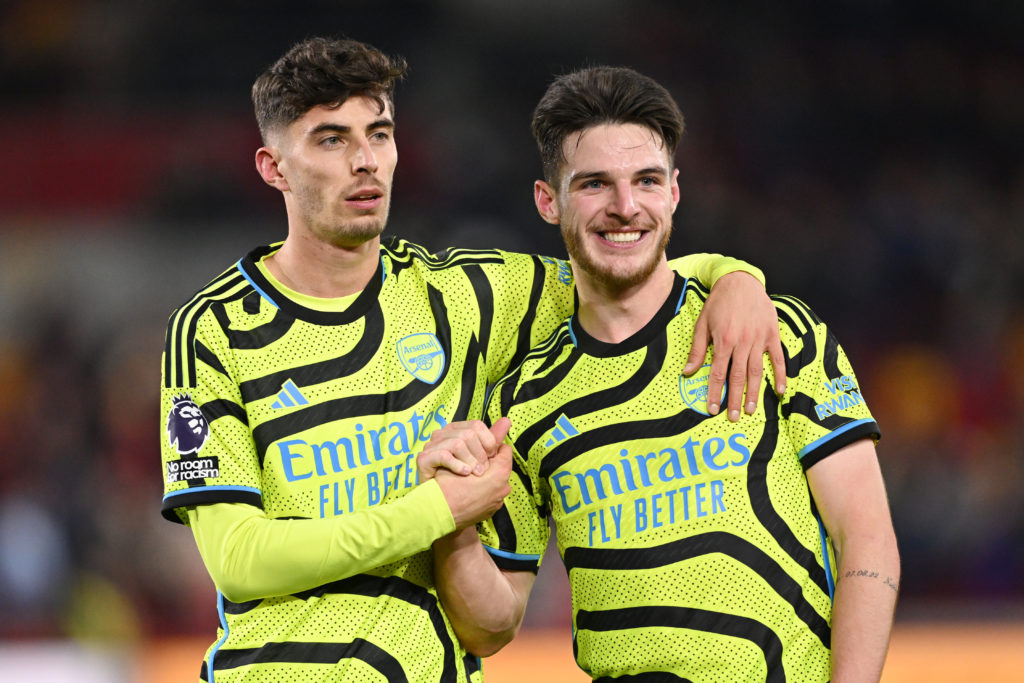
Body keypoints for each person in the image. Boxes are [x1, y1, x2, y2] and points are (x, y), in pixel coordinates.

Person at [159, 37, 783, 682]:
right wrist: (438, 510)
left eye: (379, 133)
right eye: (330, 140)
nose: (366, 161)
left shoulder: (465, 297)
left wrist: (734, 275)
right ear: (273, 167)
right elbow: (240, 558)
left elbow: (624, 266)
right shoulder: (213, 328)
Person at [428, 66, 900, 682]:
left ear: (674, 192)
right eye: (594, 184)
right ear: (549, 201)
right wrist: (451, 525)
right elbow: (491, 628)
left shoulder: (773, 332)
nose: (625, 208)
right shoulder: (523, 399)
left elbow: (866, 540)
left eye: (645, 181)